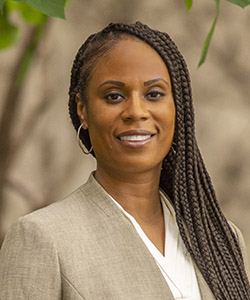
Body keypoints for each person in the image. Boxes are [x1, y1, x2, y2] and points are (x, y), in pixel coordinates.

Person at [0, 22, 249, 300]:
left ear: (177, 106)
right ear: (83, 109)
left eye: (154, 94)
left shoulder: (220, 238)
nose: (136, 111)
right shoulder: (43, 238)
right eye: (114, 96)